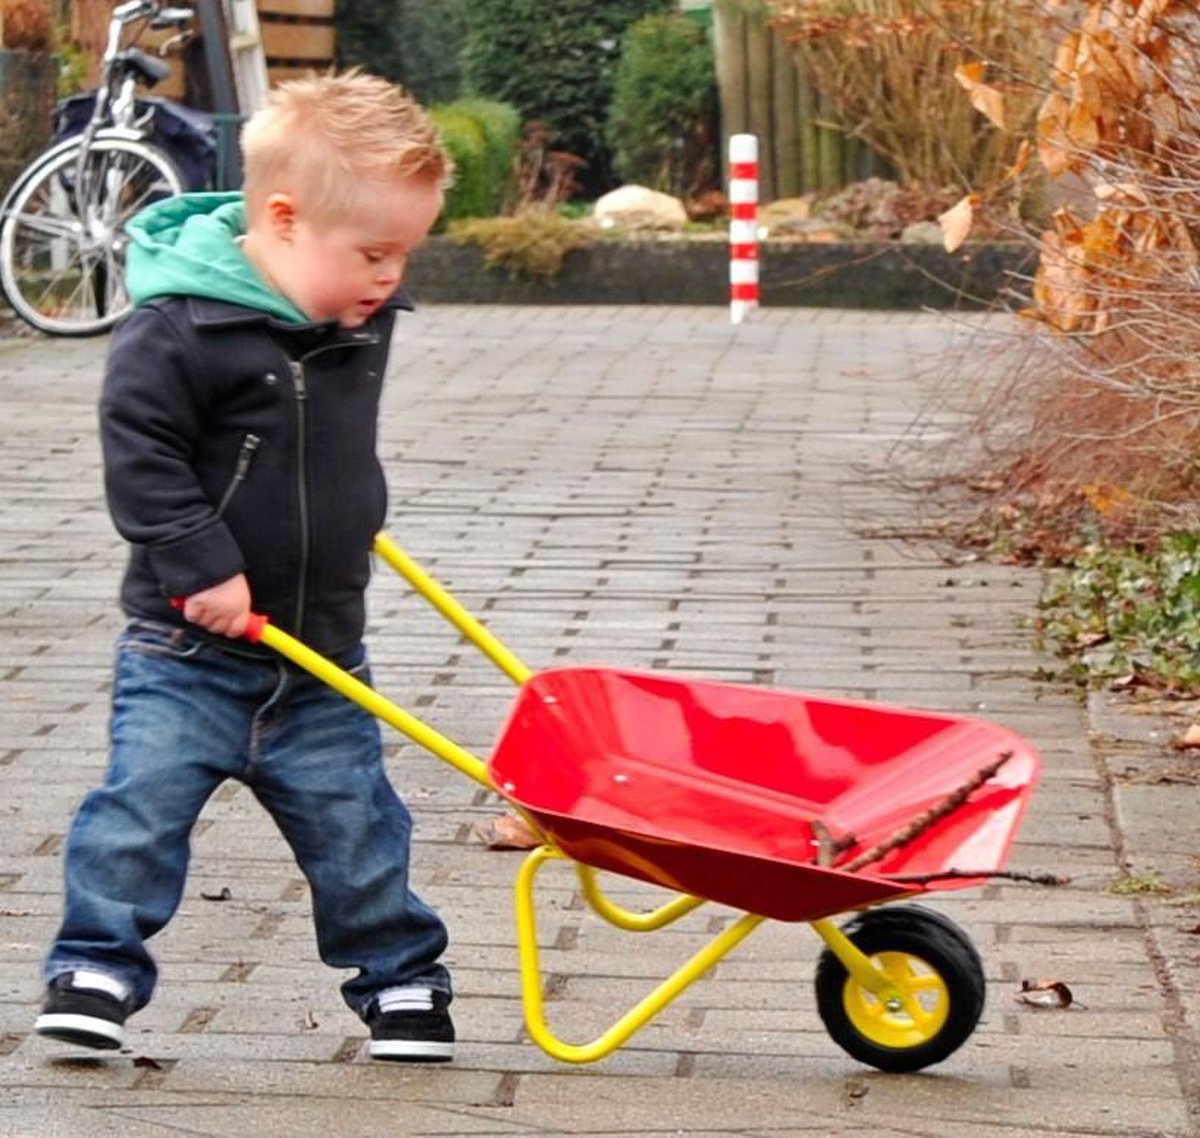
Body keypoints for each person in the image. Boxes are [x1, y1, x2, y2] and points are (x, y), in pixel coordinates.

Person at [34, 72, 457, 1063]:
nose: (391, 277)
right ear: (283, 219)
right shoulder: (178, 328)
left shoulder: (354, 314)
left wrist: (355, 512)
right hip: (187, 651)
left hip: (321, 654)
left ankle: (401, 977)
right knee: (137, 813)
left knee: (359, 828)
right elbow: (141, 454)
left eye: (404, 252)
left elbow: (319, 447)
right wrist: (201, 562)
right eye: (373, 253)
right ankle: (95, 966)